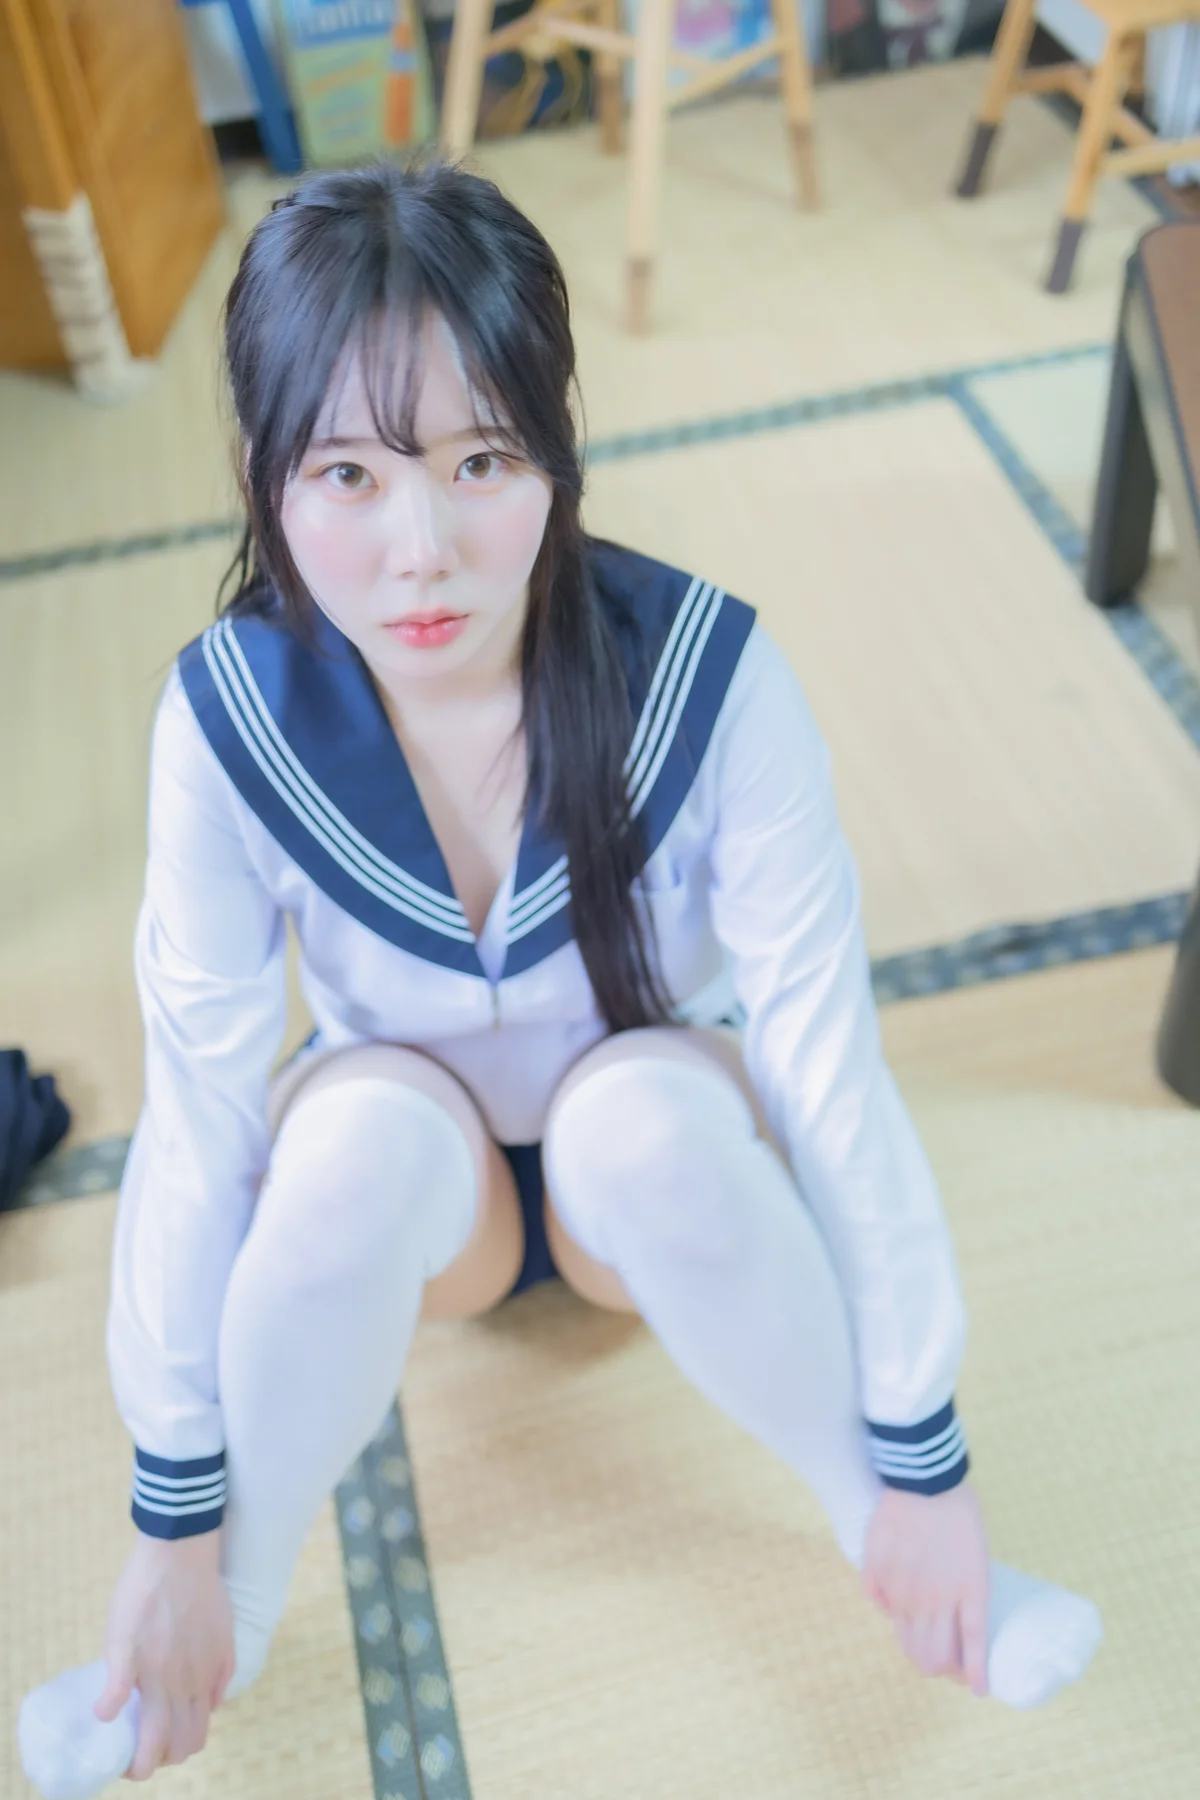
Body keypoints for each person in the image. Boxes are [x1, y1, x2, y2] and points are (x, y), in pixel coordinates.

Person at [19, 160, 1101, 1799]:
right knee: (342, 1149)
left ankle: (901, 1550)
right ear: (262, 474)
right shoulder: (223, 724)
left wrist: (930, 1460)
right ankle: (218, 1617)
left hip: (651, 1160)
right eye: (350, 475)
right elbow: (199, 1119)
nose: (426, 552)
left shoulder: (713, 675)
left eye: (481, 460)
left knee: (633, 1126)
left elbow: (827, 1071)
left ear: (556, 443)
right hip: (420, 1194)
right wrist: (170, 1520)